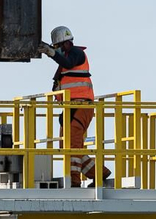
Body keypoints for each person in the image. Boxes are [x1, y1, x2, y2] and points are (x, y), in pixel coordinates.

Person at [39, 25, 108, 187]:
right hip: (70, 107)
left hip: (81, 107)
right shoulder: (65, 60)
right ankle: (99, 173)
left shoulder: (77, 53)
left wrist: (50, 52)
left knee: (74, 146)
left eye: (58, 47)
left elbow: (68, 63)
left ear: (65, 44)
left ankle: (75, 181)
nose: (58, 51)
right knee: (66, 145)